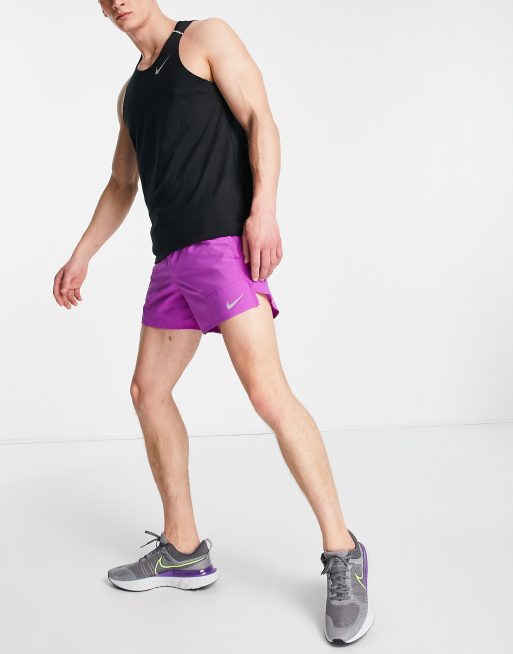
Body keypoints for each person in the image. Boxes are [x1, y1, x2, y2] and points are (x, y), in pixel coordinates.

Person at [52, 1, 374, 644]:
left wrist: (265, 209)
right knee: (148, 391)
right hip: (170, 261)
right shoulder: (130, 94)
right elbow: (121, 183)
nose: (116, 1)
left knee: (268, 394)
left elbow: (260, 118)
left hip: (223, 247)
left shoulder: (204, 38)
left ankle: (344, 552)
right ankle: (183, 548)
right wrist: (81, 254)